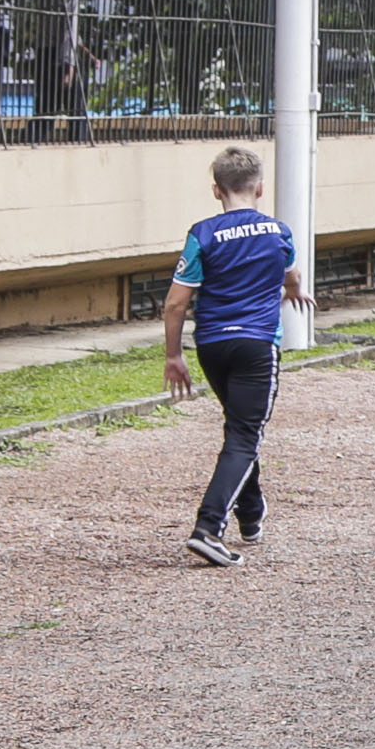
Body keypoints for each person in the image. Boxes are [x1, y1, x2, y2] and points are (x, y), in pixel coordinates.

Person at [163, 143, 307, 567]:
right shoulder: (278, 232)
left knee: (240, 428)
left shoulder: (202, 234)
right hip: (257, 344)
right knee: (246, 434)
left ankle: (251, 514)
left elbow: (175, 304)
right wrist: (296, 291)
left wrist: (174, 356)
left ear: (216, 190)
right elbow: (291, 272)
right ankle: (208, 528)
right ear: (260, 188)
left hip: (212, 345)